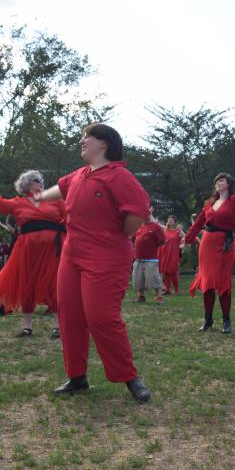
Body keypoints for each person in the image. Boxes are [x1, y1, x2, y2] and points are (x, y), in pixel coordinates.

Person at [34, 123, 152, 402]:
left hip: (107, 255)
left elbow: (139, 210)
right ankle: (77, 377)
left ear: (104, 143)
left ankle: (129, 377)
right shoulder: (80, 175)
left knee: (101, 317)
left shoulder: (119, 175)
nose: (82, 141)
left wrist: (118, 235)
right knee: (70, 316)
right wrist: (39, 197)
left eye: (87, 137)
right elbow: (61, 188)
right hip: (72, 255)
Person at [0, 171, 66, 338]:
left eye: (42, 181)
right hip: (27, 250)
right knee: (26, 285)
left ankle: (58, 327)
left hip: (53, 250)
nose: (42, 183)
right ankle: (27, 327)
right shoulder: (18, 203)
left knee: (54, 284)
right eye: (38, 181)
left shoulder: (54, 200)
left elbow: (71, 214)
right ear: (27, 184)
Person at [185, 158, 235, 334]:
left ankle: (226, 321)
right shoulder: (209, 204)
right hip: (207, 244)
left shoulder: (234, 201)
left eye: (222, 181)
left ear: (228, 185)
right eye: (217, 181)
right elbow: (198, 223)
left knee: (222, 282)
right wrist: (188, 239)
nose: (218, 183)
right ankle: (208, 319)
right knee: (207, 282)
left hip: (225, 244)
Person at [132, 209, 166, 305]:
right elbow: (134, 237)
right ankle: (141, 296)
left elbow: (163, 240)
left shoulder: (156, 227)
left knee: (154, 279)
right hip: (138, 258)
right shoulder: (139, 226)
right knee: (138, 279)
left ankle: (159, 298)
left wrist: (152, 246)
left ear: (149, 215)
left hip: (150, 258)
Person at [158, 215, 184, 295]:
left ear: (175, 222)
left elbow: (184, 237)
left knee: (173, 272)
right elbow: (156, 223)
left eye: (172, 220)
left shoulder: (177, 231)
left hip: (173, 254)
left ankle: (176, 290)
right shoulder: (164, 229)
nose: (170, 221)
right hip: (164, 253)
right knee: (165, 272)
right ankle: (167, 289)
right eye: (169, 219)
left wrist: (181, 230)